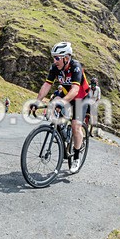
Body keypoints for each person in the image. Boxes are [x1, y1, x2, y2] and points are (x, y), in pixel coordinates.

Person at [32, 41, 90, 173]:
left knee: (76, 126)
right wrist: (37, 101)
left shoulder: (76, 67)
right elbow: (47, 85)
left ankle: (76, 157)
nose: (55, 60)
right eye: (54, 57)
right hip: (66, 94)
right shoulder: (55, 68)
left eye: (57, 57)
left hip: (81, 98)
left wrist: (62, 103)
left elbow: (75, 90)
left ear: (66, 58)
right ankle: (61, 134)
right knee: (54, 103)